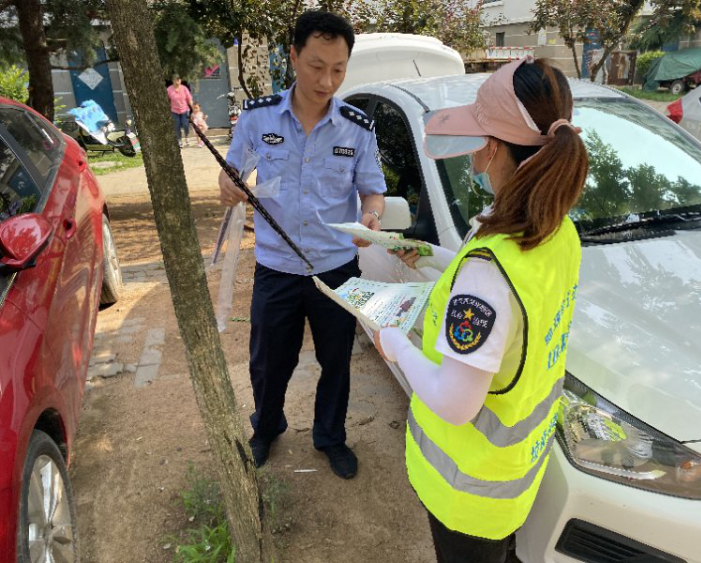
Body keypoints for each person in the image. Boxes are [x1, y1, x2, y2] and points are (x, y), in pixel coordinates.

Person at [373, 57, 589, 562]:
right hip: (513, 476)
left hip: (467, 493)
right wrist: (434, 259)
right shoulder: (558, 231)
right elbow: (512, 309)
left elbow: (454, 401)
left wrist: (397, 345)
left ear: (490, 148)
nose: (471, 158)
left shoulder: (489, 267)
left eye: (477, 142)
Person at [218, 10, 386, 479]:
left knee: (336, 361)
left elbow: (373, 191)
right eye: (316, 65)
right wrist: (228, 182)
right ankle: (266, 427)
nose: (326, 79)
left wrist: (370, 216)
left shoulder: (357, 127)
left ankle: (330, 436)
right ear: (292, 56)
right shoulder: (258, 119)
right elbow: (233, 171)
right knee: (269, 363)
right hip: (276, 268)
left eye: (338, 69)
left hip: (336, 268)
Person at [167, 75, 193, 147]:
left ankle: (187, 137)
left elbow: (189, 99)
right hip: (174, 111)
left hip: (185, 110)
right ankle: (179, 140)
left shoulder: (184, 89)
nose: (177, 82)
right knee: (177, 126)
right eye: (175, 80)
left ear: (180, 80)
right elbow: (166, 100)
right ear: (173, 81)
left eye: (178, 80)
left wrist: (193, 108)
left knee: (186, 125)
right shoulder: (169, 89)